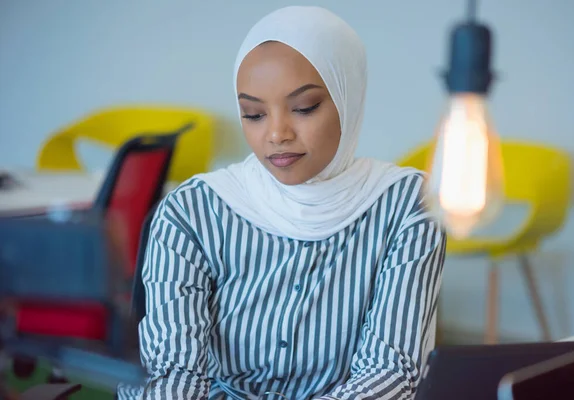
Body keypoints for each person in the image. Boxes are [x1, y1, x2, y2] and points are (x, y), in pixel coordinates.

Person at [121, 5, 446, 400]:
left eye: (304, 108)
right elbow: (174, 373)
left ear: (349, 97)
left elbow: (389, 373)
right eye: (253, 114)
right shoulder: (191, 214)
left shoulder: (408, 206)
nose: (276, 134)